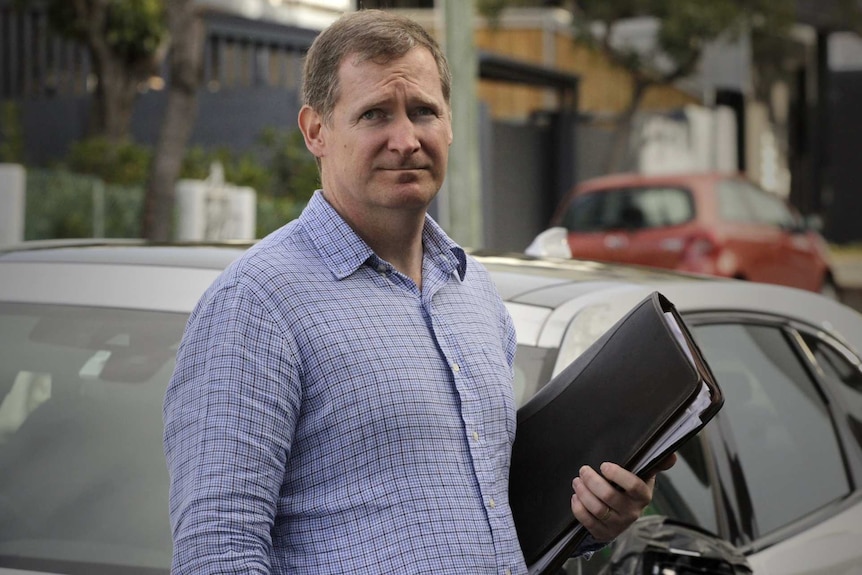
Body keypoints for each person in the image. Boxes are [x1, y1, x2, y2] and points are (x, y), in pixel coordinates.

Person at [163, 9, 673, 574]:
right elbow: (218, 554)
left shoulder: (473, 292)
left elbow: (496, 526)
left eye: (423, 111)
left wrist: (588, 522)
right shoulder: (255, 305)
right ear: (315, 131)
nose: (405, 140)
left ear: (450, 124)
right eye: (375, 114)